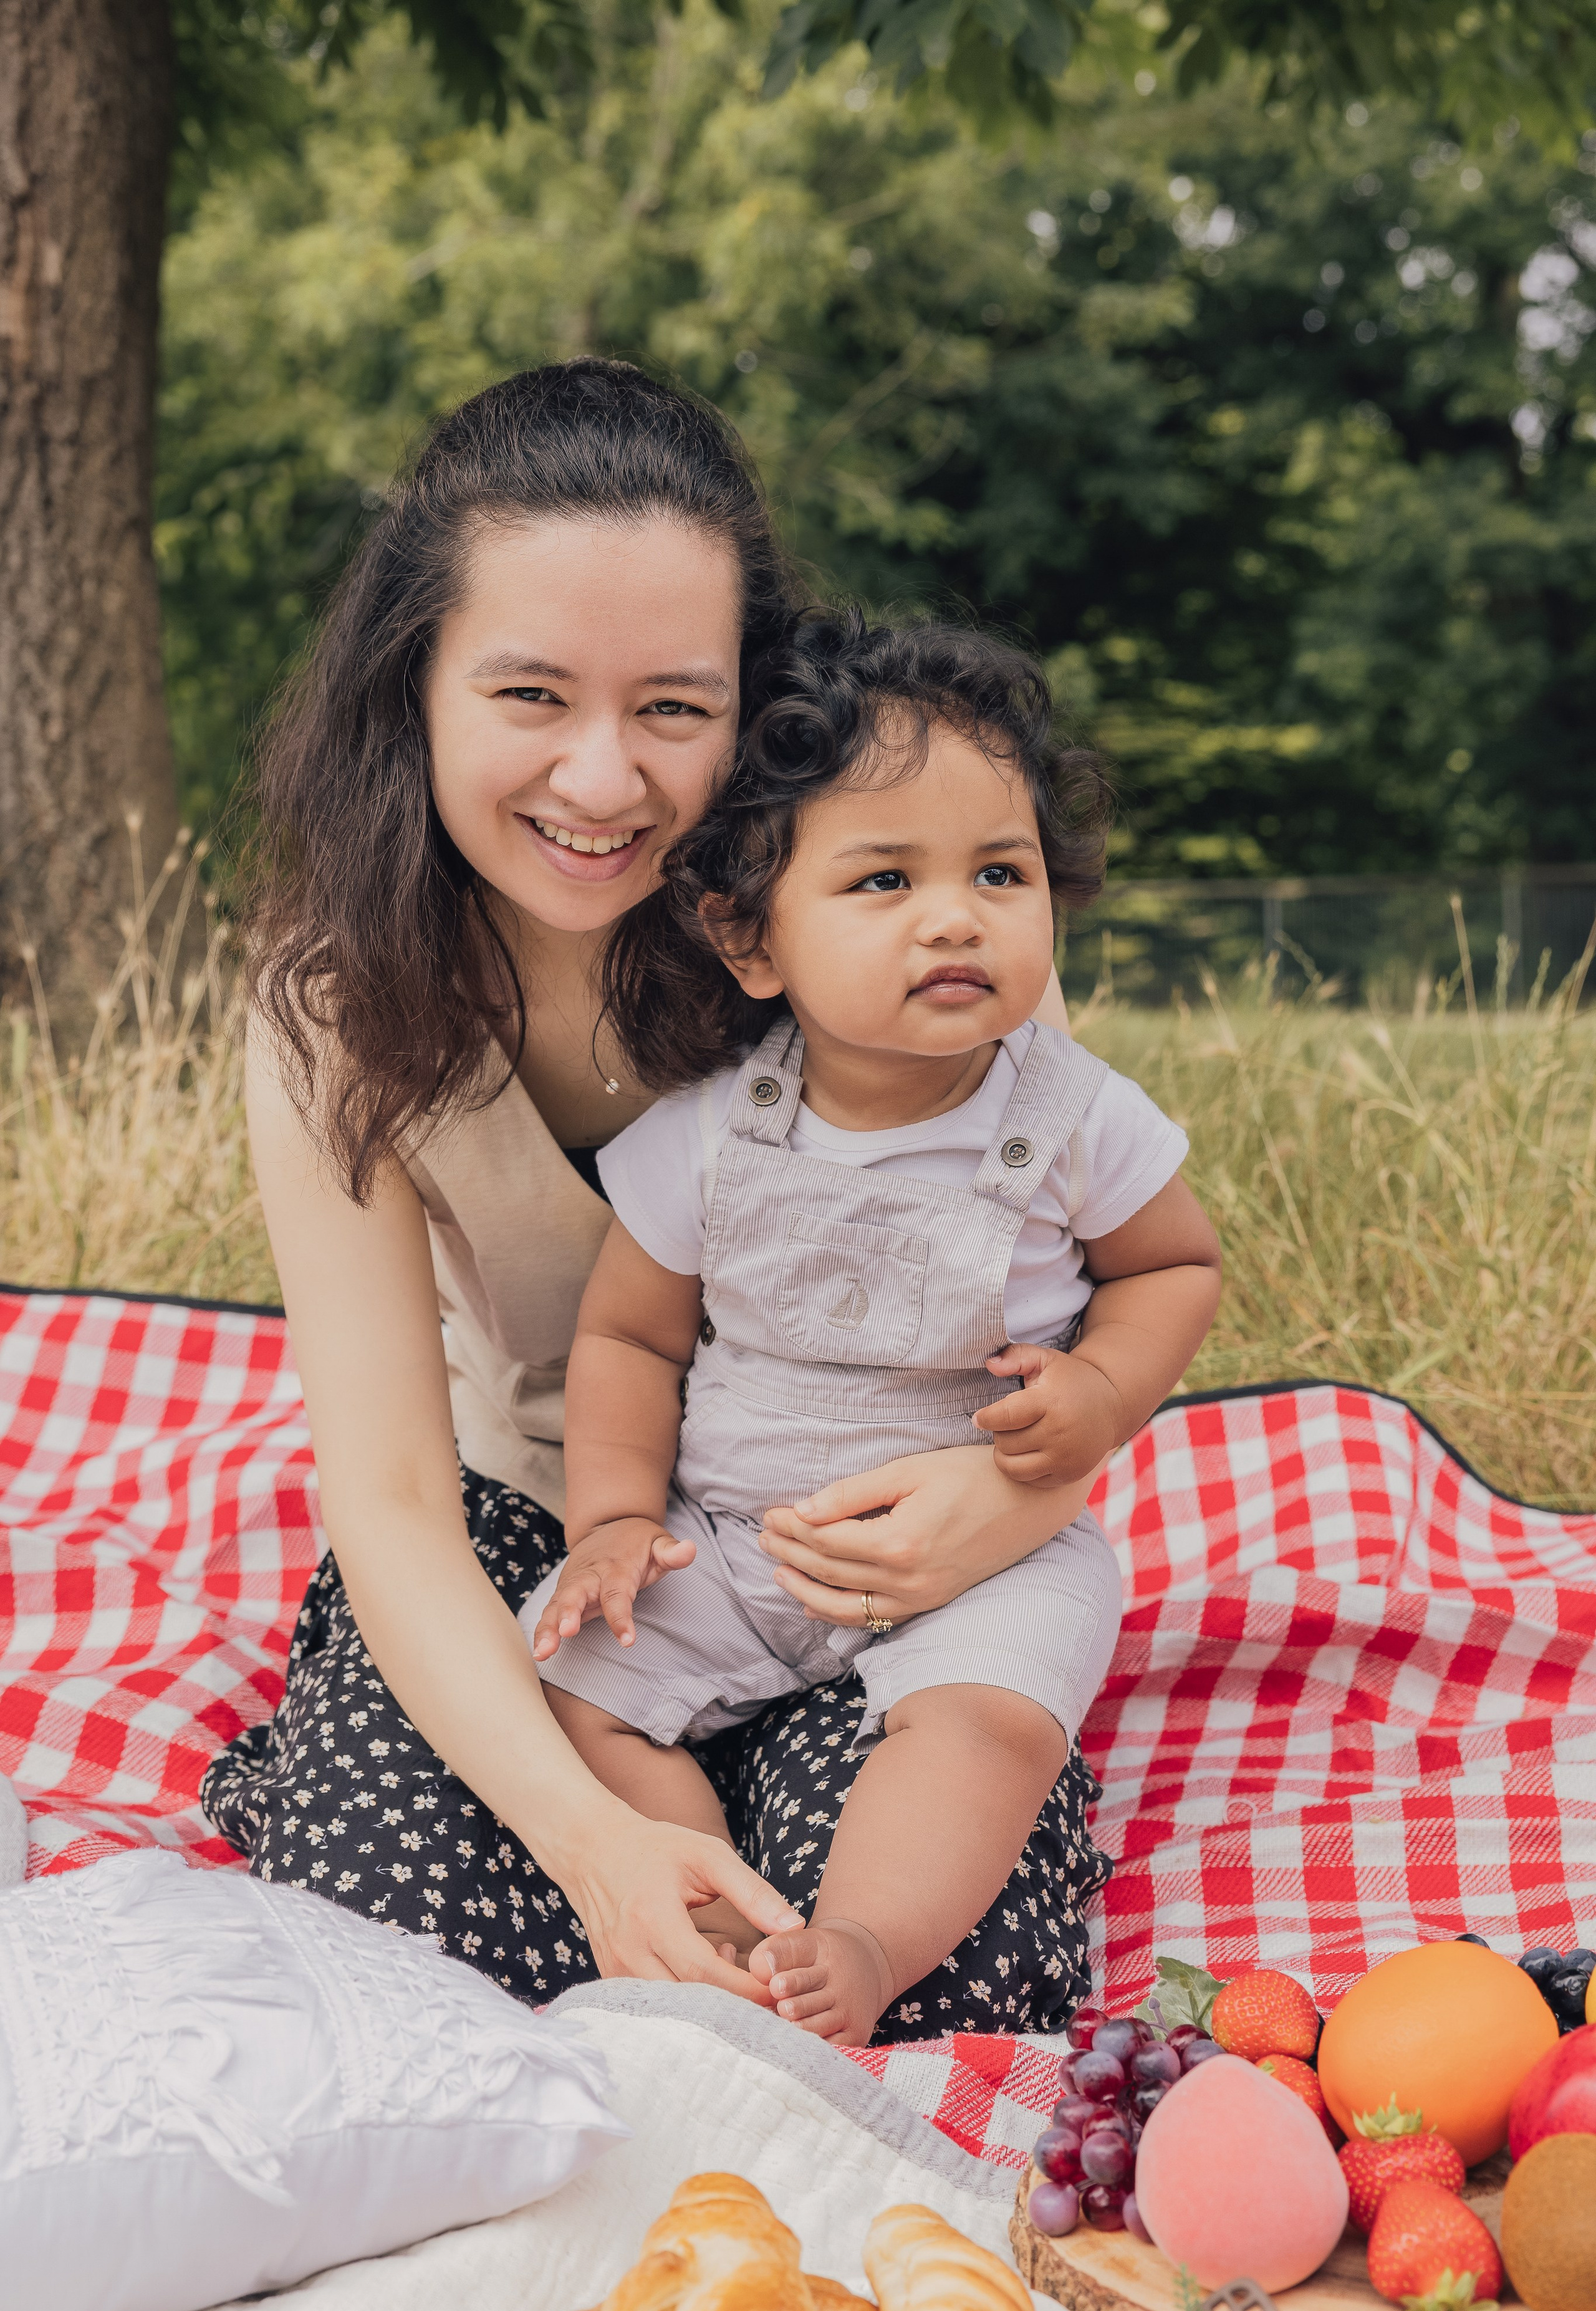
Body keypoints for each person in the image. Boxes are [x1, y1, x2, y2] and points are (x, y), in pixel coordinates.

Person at [201, 362, 1120, 2035]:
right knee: (386, 1905)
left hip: (853, 1522)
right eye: (532, 696)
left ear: (751, 708)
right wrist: (599, 1849)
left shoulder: (892, 906)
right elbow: (396, 1501)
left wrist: (995, 1518)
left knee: (944, 1962)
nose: (604, 781)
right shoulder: (331, 1016)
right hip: (529, 1542)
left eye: (674, 709)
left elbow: (1091, 1293)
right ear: (413, 687)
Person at [528, 613, 1224, 2044]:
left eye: (998, 872)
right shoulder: (709, 1133)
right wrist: (609, 1518)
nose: (955, 915)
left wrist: (1097, 1395)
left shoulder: (1073, 1115)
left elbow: (1174, 1270)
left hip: (988, 1556)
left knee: (987, 1730)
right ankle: (715, 1910)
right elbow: (629, 1343)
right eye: (885, 878)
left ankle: (858, 1944)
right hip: (735, 1540)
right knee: (576, 1692)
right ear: (749, 936)